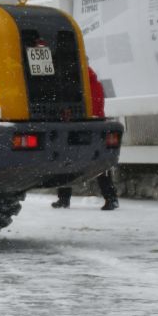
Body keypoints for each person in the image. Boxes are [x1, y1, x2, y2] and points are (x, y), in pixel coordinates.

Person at [54, 66, 118, 210]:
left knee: (66, 161)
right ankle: (111, 198)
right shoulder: (94, 82)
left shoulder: (74, 80)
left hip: (76, 125)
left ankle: (64, 199)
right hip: (96, 125)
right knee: (100, 164)